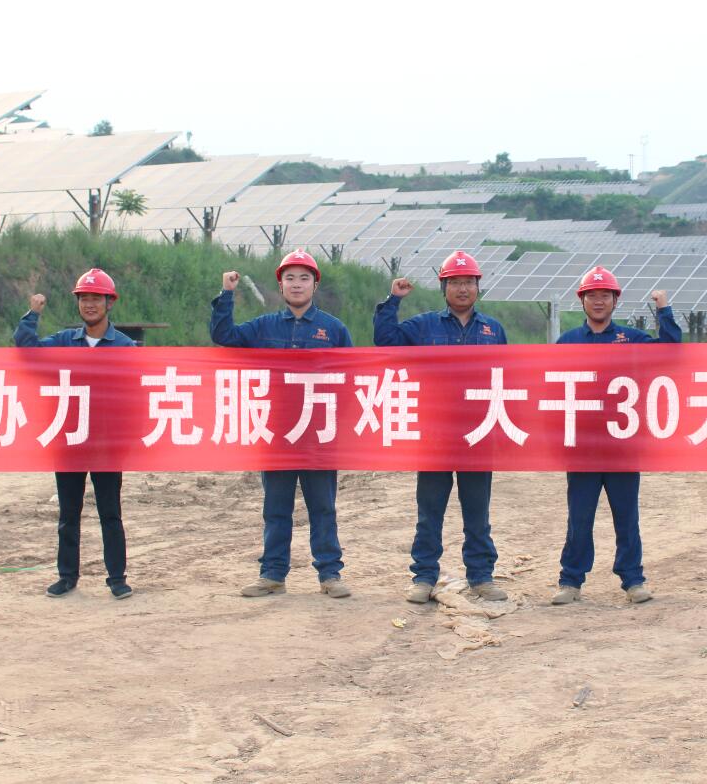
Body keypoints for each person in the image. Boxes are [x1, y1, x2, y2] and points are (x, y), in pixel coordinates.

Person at [212, 250, 354, 599]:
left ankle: (330, 575)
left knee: (323, 507)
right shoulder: (264, 327)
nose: (297, 284)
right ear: (281, 285)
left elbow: (350, 378)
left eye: (304, 278)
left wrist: (341, 426)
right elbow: (224, 336)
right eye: (290, 278)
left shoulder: (333, 330)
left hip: (317, 434)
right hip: (276, 433)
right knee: (276, 509)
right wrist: (227, 294)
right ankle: (273, 575)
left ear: (315, 285)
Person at [373, 251, 510, 604]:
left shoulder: (493, 330)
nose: (463, 289)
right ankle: (424, 577)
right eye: (455, 283)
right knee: (429, 511)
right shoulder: (423, 326)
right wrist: (393, 300)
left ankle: (481, 577)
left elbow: (506, 376)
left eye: (469, 282)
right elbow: (385, 341)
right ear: (444, 288)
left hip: (477, 434)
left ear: (478, 287)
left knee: (477, 512)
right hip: (434, 434)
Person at [550, 266, 681, 606]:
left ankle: (633, 580)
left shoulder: (632, 339)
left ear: (615, 301)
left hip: (623, 443)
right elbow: (549, 387)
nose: (598, 301)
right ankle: (570, 581)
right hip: (583, 446)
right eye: (592, 295)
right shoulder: (568, 342)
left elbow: (670, 351)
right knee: (580, 517)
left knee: (626, 516)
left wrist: (663, 310)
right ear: (582, 300)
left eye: (605, 295)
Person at [15, 268, 138, 600]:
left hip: (106, 444)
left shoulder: (124, 347)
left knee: (110, 513)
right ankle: (67, 576)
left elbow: (135, 395)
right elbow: (26, 350)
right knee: (68, 514)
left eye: (96, 298)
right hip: (68, 440)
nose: (89, 304)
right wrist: (32, 315)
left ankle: (117, 578)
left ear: (110, 303)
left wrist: (129, 438)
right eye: (84, 298)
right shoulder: (63, 342)